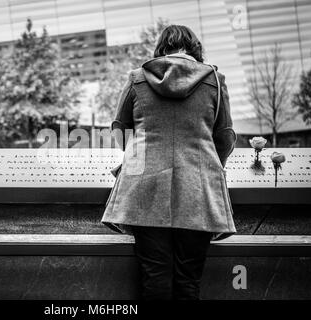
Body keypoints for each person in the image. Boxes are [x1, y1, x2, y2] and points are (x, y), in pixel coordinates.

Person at [101, 24, 237, 300]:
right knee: (188, 280)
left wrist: (140, 157)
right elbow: (224, 136)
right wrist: (209, 163)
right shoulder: (214, 80)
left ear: (161, 48)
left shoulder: (137, 78)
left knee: (155, 276)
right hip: (199, 189)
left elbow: (120, 128)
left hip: (144, 188)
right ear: (195, 48)